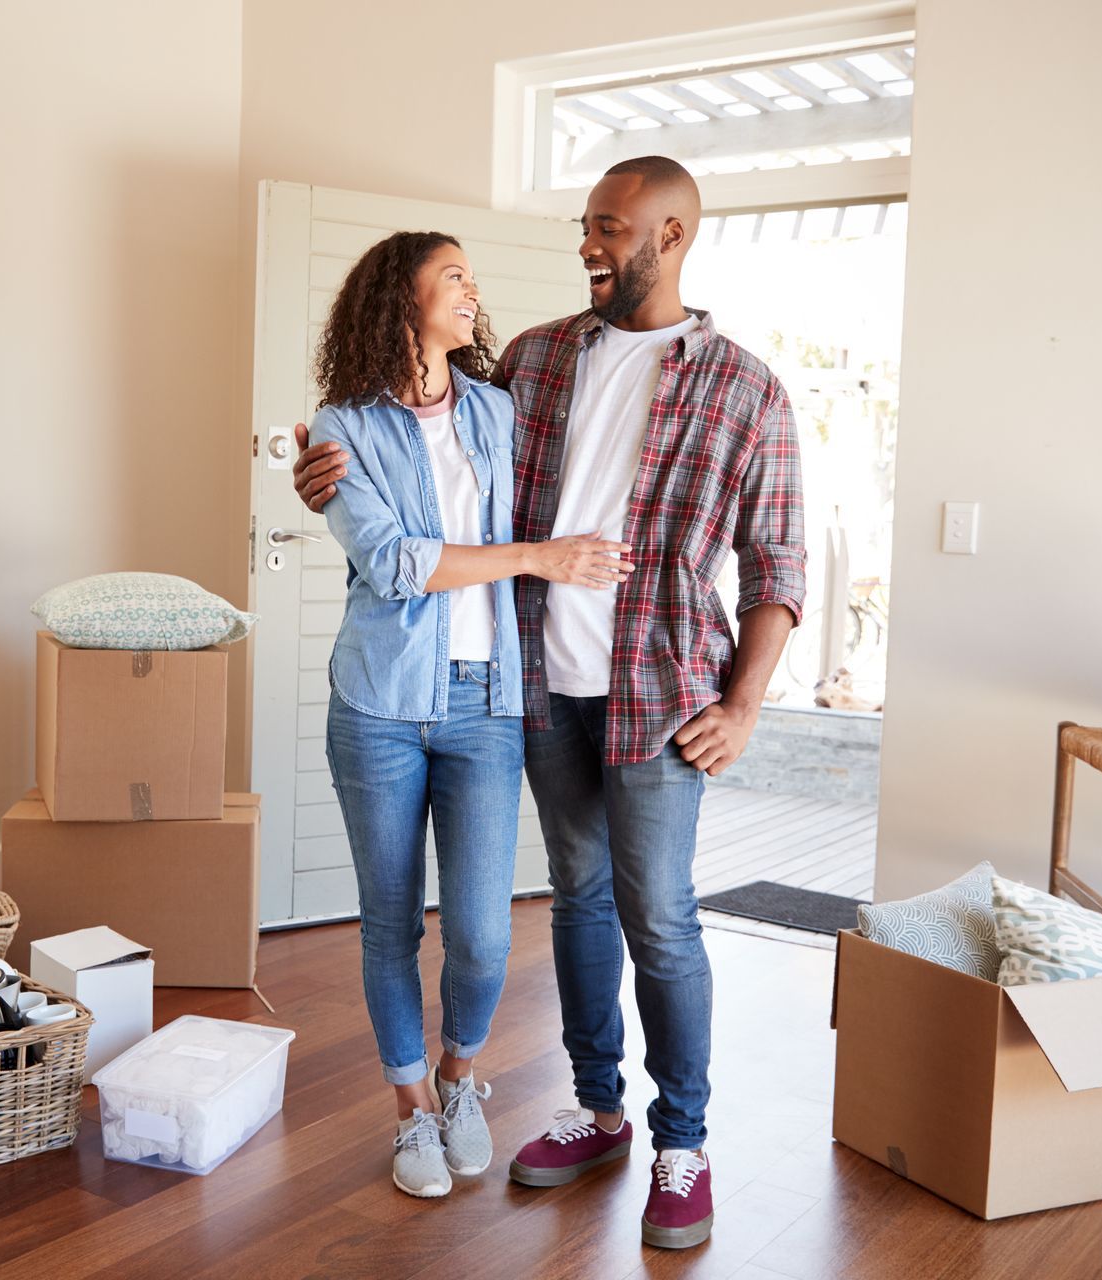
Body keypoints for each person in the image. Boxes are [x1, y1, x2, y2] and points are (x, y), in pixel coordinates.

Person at [294, 156, 806, 1248]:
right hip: (529, 688)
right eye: (585, 224)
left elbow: (779, 565)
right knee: (574, 900)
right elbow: (422, 479)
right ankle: (598, 1106)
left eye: (608, 228)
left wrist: (749, 701)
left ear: (668, 237)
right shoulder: (533, 361)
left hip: (660, 695)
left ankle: (685, 1141)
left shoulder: (746, 387)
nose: (587, 243)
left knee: (659, 916)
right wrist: (324, 479)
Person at [306, 229, 634, 1200]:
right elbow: (399, 563)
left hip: (484, 703)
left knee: (484, 933)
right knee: (391, 920)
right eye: (452, 274)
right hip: (377, 703)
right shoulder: (340, 427)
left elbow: (592, 451)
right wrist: (537, 555)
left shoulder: (497, 409)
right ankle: (408, 1106)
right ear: (398, 296)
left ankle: (459, 1078)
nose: (471, 289)